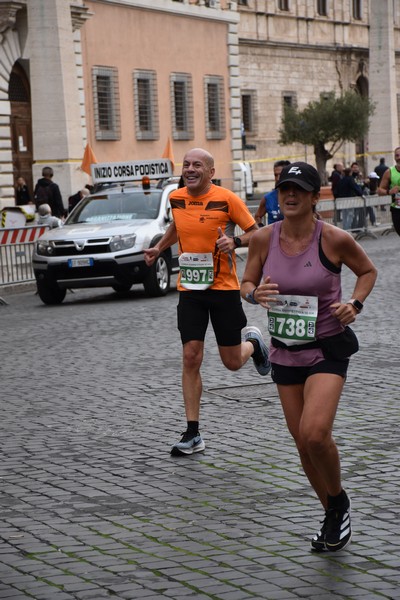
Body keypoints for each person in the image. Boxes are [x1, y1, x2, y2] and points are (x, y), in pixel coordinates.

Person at [241, 161, 377, 553]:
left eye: (299, 189)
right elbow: (247, 282)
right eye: (285, 189)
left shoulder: (333, 239)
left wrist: (355, 303)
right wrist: (254, 294)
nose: (290, 195)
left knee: (315, 433)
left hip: (326, 348)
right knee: (302, 444)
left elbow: (367, 272)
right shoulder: (264, 239)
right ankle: (333, 511)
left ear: (315, 197)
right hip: (285, 351)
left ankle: (338, 499)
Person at [144, 148, 271, 457]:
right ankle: (192, 432)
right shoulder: (176, 198)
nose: (190, 169)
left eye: (197, 165)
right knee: (191, 356)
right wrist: (159, 247)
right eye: (186, 164)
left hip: (224, 288)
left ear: (210, 172)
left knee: (231, 362)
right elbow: (178, 227)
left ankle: (253, 343)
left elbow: (259, 232)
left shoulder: (227, 199)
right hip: (190, 288)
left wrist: (235, 241)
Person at [254, 160, 290, 226]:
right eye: (275, 175)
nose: (278, 178)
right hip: (274, 236)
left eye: (281, 174)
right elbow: (257, 216)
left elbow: (313, 215)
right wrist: (262, 228)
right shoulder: (268, 198)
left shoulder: (298, 196)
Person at [377, 146, 400, 236]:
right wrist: (389, 192)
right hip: (397, 209)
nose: (399, 157)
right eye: (397, 155)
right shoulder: (389, 172)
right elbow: (379, 190)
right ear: (394, 157)